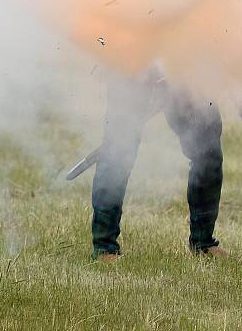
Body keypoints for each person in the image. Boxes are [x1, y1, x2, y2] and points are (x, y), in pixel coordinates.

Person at [91, 67, 224, 261]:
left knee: (207, 148)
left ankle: (203, 243)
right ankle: (105, 248)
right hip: (133, 57)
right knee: (118, 151)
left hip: (184, 59)